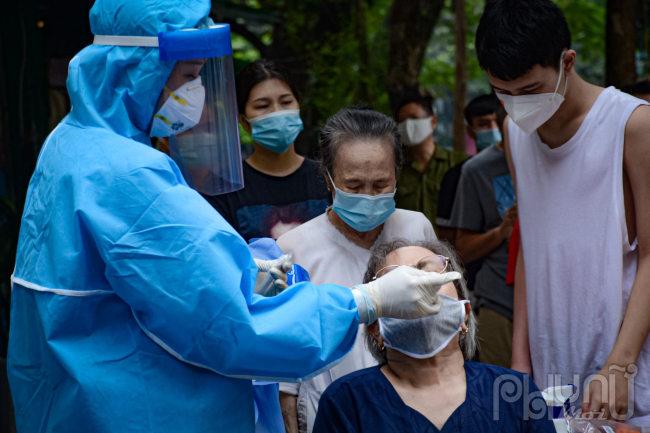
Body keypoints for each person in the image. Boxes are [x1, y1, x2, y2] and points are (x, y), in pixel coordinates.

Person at [6, 1, 462, 431]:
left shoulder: (70, 144)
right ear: (137, 70)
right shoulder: (128, 174)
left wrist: (237, 273)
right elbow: (233, 326)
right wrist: (366, 301)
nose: (196, 93)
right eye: (187, 74)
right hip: (145, 409)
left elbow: (143, 284)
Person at [477, 0, 650, 423]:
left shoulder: (633, 125)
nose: (517, 105)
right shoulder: (513, 132)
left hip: (627, 375)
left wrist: (619, 365)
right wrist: (520, 366)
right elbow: (529, 250)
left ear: (567, 62)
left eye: (530, 91)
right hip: (551, 375)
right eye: (503, 92)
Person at [276, 107, 437, 433]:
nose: (368, 196)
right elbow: (285, 377)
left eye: (380, 184)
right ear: (327, 177)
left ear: (397, 174)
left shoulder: (416, 230)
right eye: (354, 185)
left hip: (417, 415)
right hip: (333, 420)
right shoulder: (295, 249)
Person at [313, 239, 556, 433]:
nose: (415, 287)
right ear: (375, 328)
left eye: (427, 271)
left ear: (463, 314)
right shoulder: (346, 402)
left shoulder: (514, 392)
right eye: (397, 280)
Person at [203, 59, 331, 242]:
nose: (277, 112)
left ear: (298, 106)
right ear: (243, 121)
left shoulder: (329, 178)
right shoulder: (225, 190)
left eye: (286, 102)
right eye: (263, 106)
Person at [446, 94, 517, 369]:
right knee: (507, 397)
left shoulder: (552, 157)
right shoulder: (476, 170)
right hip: (500, 303)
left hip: (553, 302)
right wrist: (501, 231)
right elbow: (460, 248)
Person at [393, 91, 469, 239]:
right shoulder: (393, 170)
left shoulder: (460, 164)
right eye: (402, 121)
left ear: (433, 122)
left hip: (452, 255)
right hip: (407, 254)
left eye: (414, 118)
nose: (408, 125)